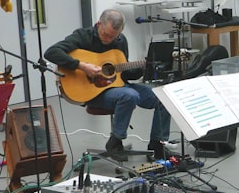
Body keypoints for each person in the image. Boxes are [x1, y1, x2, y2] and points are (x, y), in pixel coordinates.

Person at [45, 8, 171, 161]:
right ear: (99, 24)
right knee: (129, 95)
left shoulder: (121, 41)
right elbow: (51, 52)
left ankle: (158, 145)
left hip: (118, 87)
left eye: (113, 37)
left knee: (164, 97)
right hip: (93, 92)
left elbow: (123, 74)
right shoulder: (82, 36)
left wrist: (141, 69)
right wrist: (82, 66)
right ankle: (115, 142)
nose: (108, 40)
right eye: (106, 34)